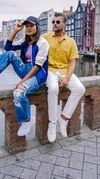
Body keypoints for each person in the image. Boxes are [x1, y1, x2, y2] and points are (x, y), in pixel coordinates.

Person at [0, 16, 49, 137]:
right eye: (27, 26)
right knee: (10, 54)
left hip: (37, 75)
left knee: (19, 93)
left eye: (32, 26)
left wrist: (22, 82)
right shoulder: (25, 41)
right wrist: (15, 30)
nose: (29, 28)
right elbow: (7, 47)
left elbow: (38, 67)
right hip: (25, 70)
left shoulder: (43, 43)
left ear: (37, 27)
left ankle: (27, 121)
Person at [43, 12, 85, 143]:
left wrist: (67, 78)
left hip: (64, 70)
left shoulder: (71, 42)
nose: (54, 24)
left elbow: (72, 62)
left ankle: (64, 118)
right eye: (53, 22)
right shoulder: (45, 38)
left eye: (57, 22)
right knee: (54, 89)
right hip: (50, 70)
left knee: (80, 89)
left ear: (64, 24)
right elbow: (31, 42)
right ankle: (52, 123)